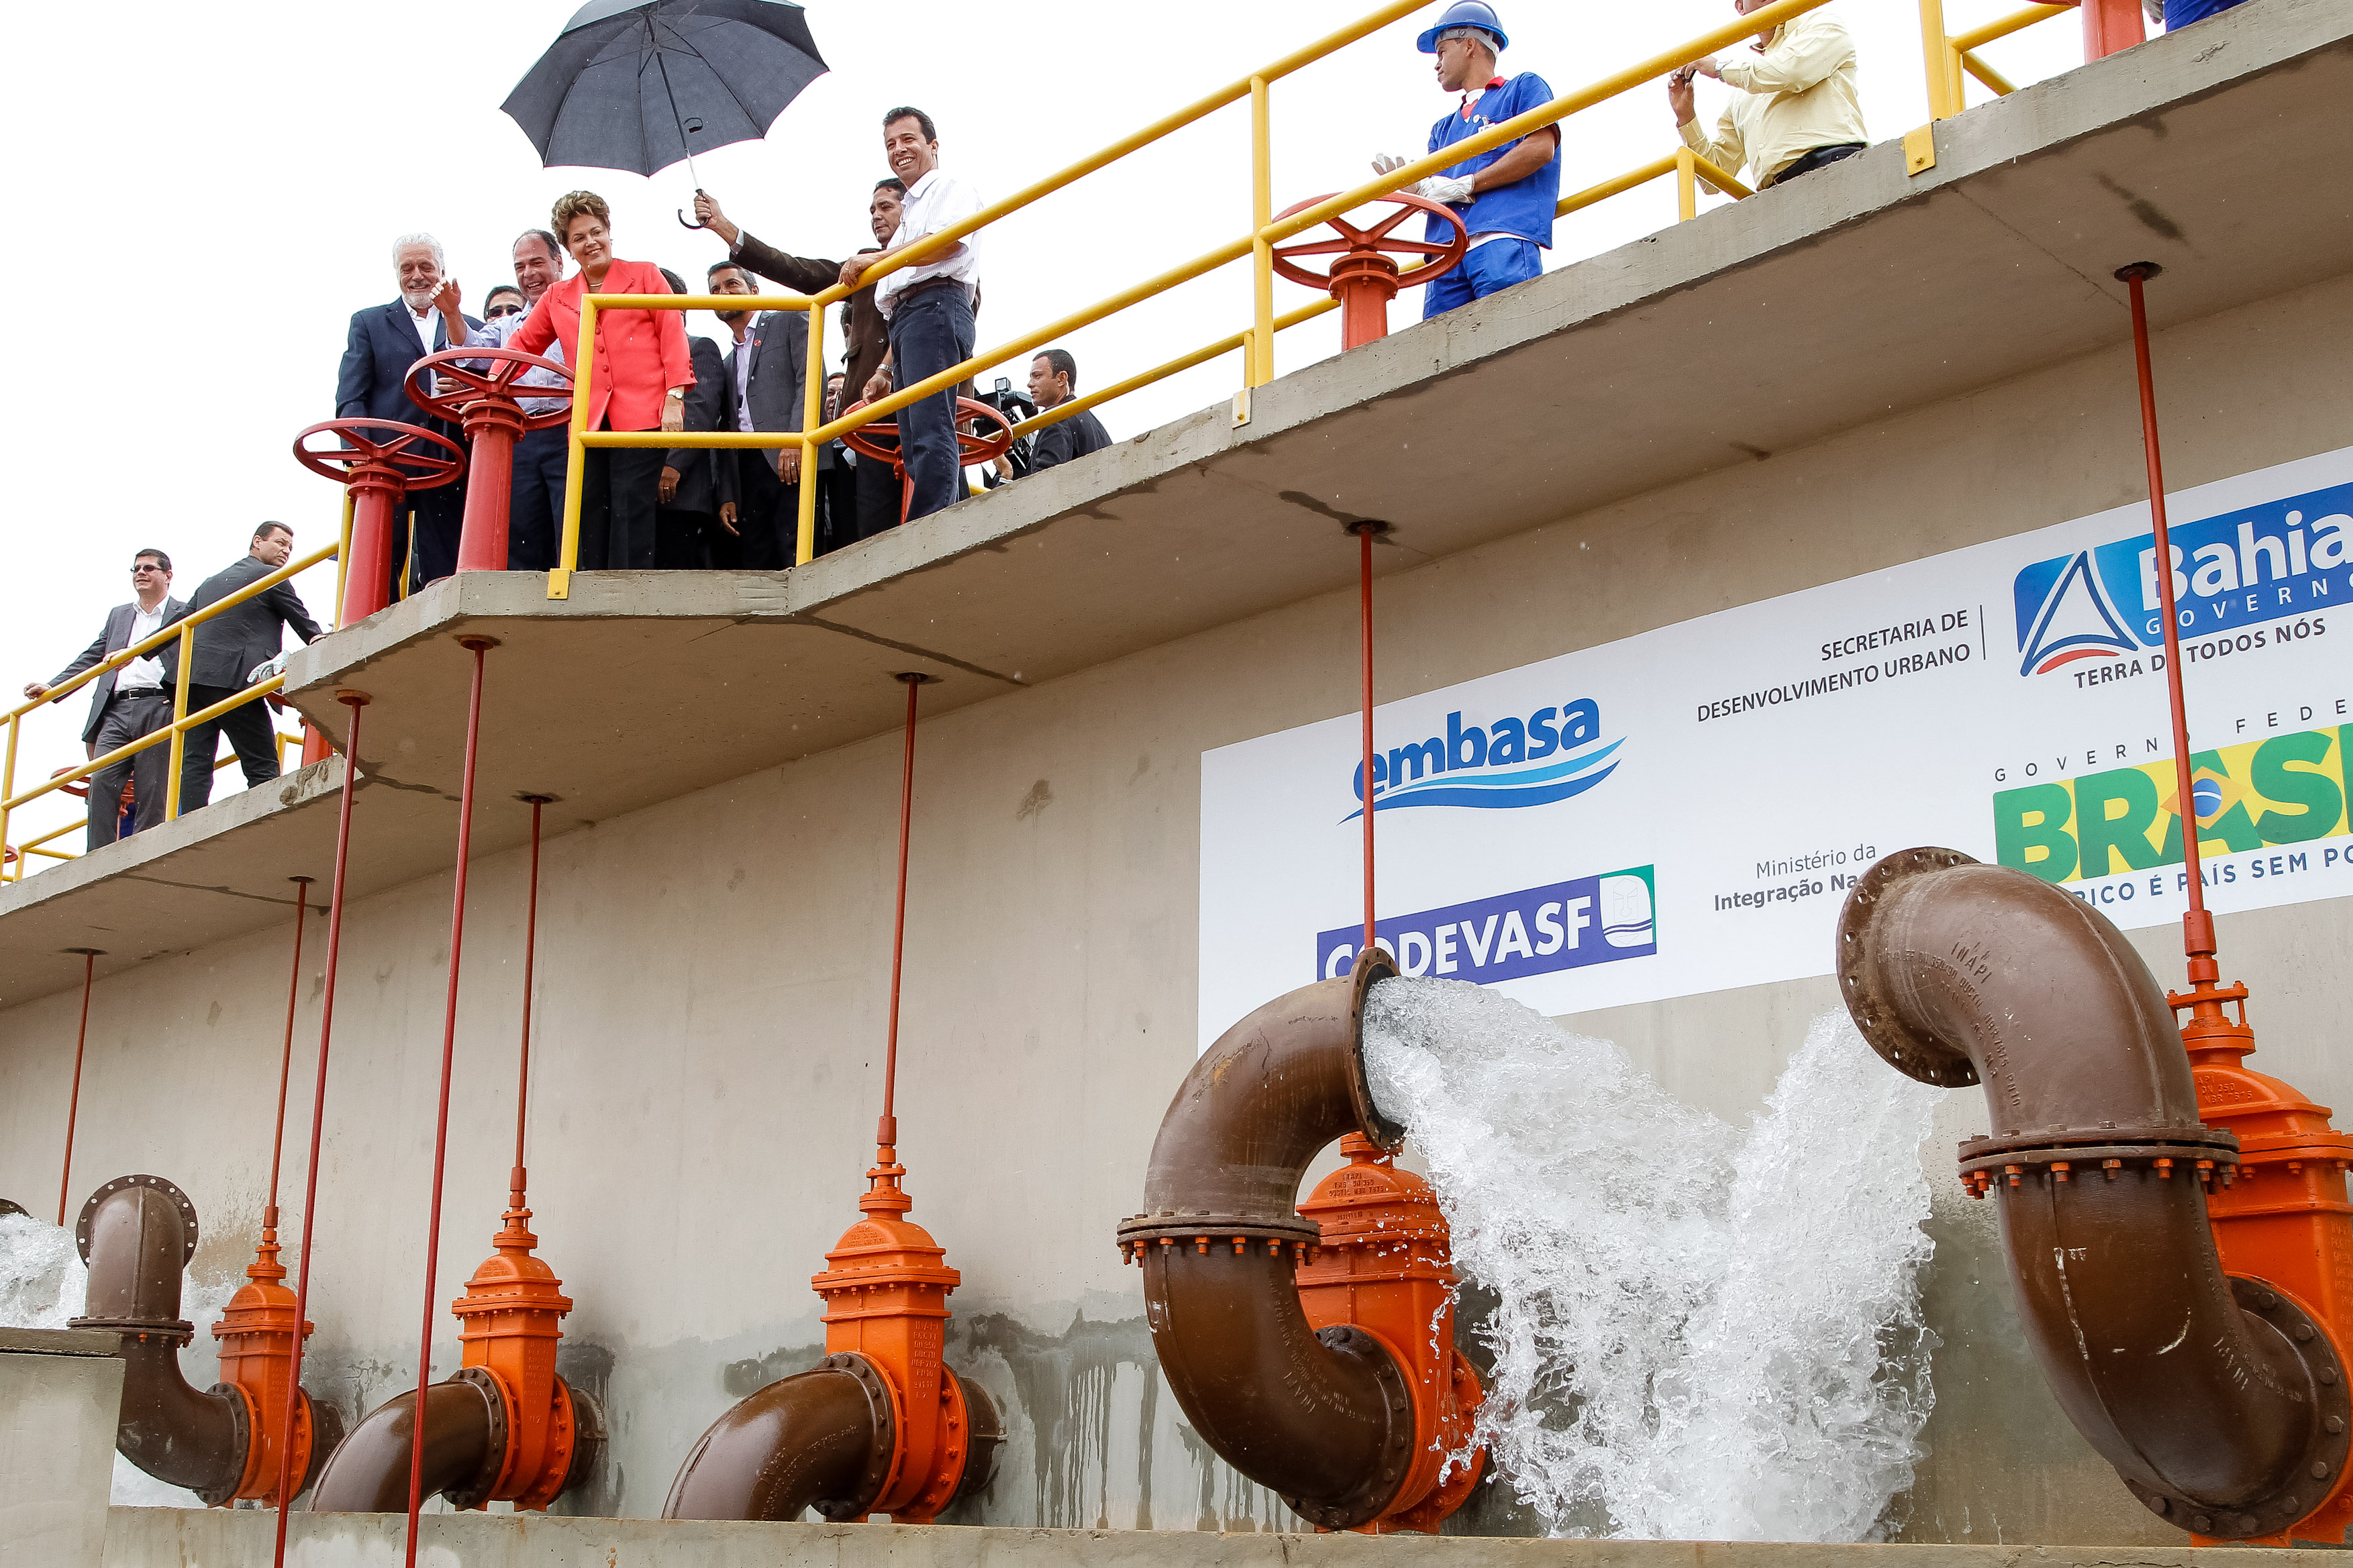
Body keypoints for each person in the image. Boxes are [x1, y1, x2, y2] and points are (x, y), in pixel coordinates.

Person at [692, 180, 901, 545]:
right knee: (876, 531)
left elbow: (956, 313)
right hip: (870, 413)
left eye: (886, 207)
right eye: (872, 209)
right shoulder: (863, 264)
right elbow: (800, 272)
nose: (876, 216)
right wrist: (724, 228)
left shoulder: (944, 247)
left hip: (925, 398)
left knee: (940, 510)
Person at [508, 191, 693, 572]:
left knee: (630, 502)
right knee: (588, 504)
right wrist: (493, 386)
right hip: (587, 419)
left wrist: (675, 397)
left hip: (644, 413)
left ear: (609, 232)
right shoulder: (557, 296)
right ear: (568, 249)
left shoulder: (645, 274)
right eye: (579, 238)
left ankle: (628, 589)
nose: (591, 242)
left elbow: (672, 334)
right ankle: (588, 587)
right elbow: (522, 345)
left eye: (596, 232)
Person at [1372, 3, 1560, 319]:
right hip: (1446, 254)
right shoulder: (1442, 130)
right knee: (1443, 348)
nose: (1437, 64)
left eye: (1442, 51)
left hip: (1500, 238)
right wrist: (1419, 191)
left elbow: (1540, 149)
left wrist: (1470, 183)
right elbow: (1439, 191)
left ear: (1470, 45)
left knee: (1509, 332)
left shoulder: (1522, 89)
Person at [853, 109, 982, 524]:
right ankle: (943, 518)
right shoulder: (910, 209)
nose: (899, 150)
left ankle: (934, 522)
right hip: (910, 317)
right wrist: (885, 368)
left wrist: (878, 259)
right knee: (913, 434)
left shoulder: (949, 187)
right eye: (890, 144)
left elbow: (947, 243)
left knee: (929, 425)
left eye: (908, 139)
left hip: (935, 305)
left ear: (933, 145)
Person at [335, 234, 479, 594]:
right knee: (380, 561)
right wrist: (360, 450)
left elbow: (487, 384)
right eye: (407, 268)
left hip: (450, 456)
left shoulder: (469, 327)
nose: (417, 276)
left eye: (426, 267)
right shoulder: (369, 323)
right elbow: (351, 396)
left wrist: (466, 389)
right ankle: (375, 623)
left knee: (444, 562)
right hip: (388, 457)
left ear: (442, 272)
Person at [432, 229, 577, 570]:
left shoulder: (581, 310)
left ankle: (575, 591)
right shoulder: (509, 326)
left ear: (559, 262)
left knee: (571, 520)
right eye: (520, 267)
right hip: (523, 435)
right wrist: (452, 313)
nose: (529, 274)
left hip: (569, 431)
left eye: (537, 263)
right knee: (522, 524)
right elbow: (472, 351)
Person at [25, 550, 185, 848]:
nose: (141, 573)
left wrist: (185, 702)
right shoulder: (119, 615)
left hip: (161, 706)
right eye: (136, 569)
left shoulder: (184, 613)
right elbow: (93, 655)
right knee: (100, 781)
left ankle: (147, 853)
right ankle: (97, 856)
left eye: (149, 568)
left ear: (168, 575)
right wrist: (53, 686)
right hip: (116, 709)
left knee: (153, 787)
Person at [158, 524, 322, 815]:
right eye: (280, 543)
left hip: (192, 682)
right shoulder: (269, 575)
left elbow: (176, 625)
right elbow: (299, 616)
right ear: (257, 542)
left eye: (290, 548)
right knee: (262, 762)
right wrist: (319, 639)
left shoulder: (211, 582)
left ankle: (190, 823)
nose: (286, 551)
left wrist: (136, 653)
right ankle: (268, 822)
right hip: (234, 679)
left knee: (196, 761)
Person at [1666, 1, 1864, 193]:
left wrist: (1719, 69)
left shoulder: (1825, 26)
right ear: (1741, 6)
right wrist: (1686, 116)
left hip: (1833, 168)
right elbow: (1714, 177)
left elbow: (1792, 72)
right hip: (1775, 197)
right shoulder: (1742, 93)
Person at [705, 261, 813, 570]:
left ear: (754, 290)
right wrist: (727, 493)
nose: (723, 293)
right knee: (757, 561)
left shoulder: (790, 319)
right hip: (748, 468)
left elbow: (809, 381)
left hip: (791, 457)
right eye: (715, 290)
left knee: (798, 554)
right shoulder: (726, 361)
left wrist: (795, 441)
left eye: (731, 284)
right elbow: (725, 429)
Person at [656, 268, 738, 568]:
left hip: (682, 493)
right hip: (640, 490)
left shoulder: (699, 347)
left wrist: (673, 464)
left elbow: (701, 410)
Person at [1023, 351, 1111, 472]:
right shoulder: (1095, 426)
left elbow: (1045, 478)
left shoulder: (1056, 416)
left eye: (1037, 376)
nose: (1030, 384)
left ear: (1061, 379)